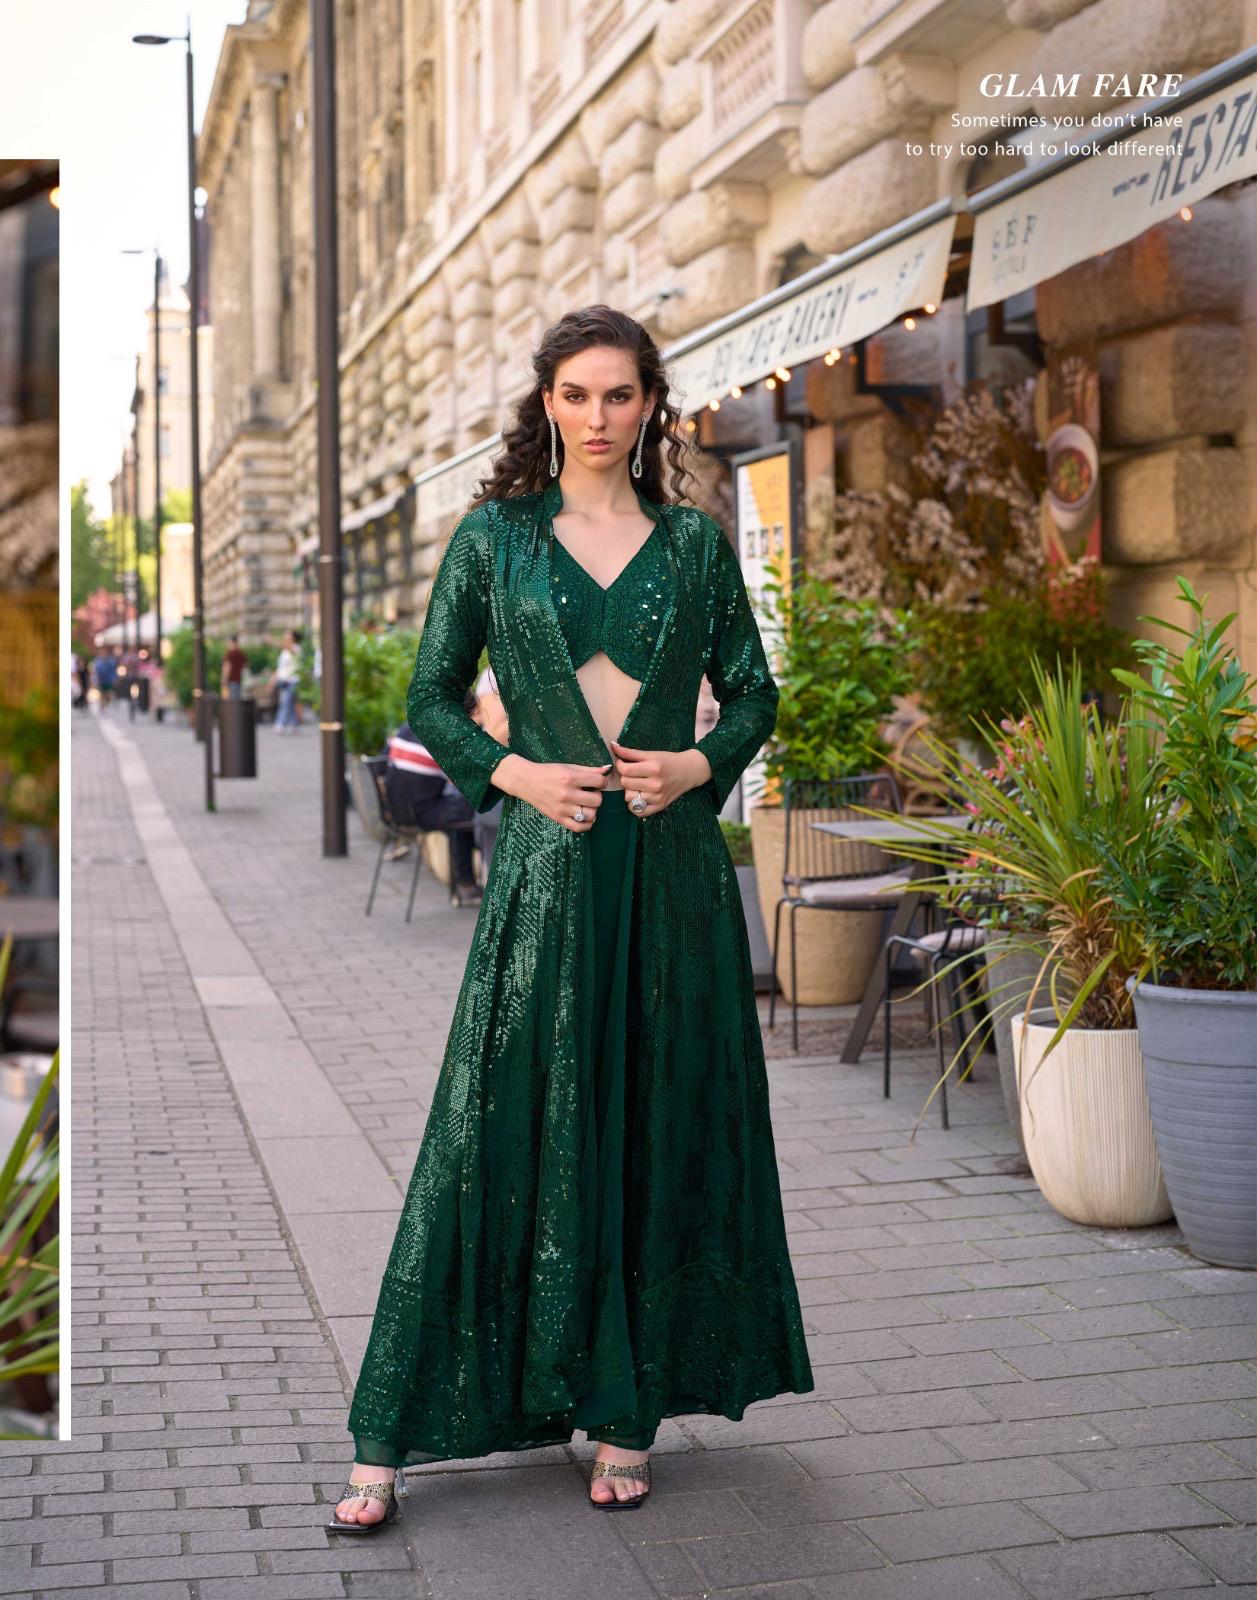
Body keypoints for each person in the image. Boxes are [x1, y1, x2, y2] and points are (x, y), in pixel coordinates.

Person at [330, 306, 812, 1535]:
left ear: (653, 405)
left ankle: (625, 1412)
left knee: (652, 1121)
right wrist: (517, 774)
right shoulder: (494, 538)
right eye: (577, 394)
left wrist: (696, 768)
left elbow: (753, 696)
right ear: (546, 402)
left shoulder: (697, 548)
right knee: (493, 1127)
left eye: (621, 395)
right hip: (548, 875)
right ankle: (390, 1429)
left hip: (670, 884)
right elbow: (430, 698)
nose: (599, 417)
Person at [381, 716, 482, 906]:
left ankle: (466, 884)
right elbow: (467, 778)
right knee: (477, 811)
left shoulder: (407, 727)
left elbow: (382, 761)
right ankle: (468, 884)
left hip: (399, 811)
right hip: (423, 813)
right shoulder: (444, 736)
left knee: (463, 810)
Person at [272, 629, 301, 732]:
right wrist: (274, 679)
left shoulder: (296, 648)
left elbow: (288, 647)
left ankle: (280, 724)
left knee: (285, 702)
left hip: (292, 681)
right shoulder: (284, 652)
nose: (285, 636)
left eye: (288, 635)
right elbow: (280, 667)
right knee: (289, 703)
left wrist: (273, 641)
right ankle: (294, 724)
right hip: (283, 680)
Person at [221, 635, 248, 700]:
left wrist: (224, 680)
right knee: (237, 700)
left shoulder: (230, 654)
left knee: (231, 702)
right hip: (239, 680)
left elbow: (227, 667)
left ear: (231, 642)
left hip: (230, 680)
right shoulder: (241, 653)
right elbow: (245, 666)